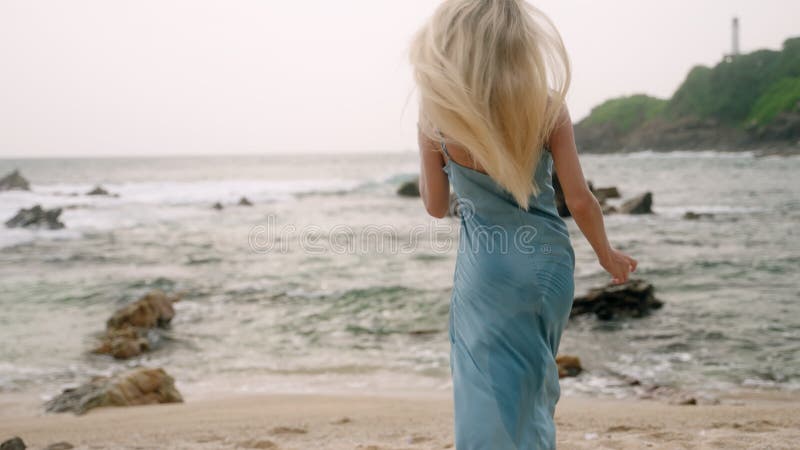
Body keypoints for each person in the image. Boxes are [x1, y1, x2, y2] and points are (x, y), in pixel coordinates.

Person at [409, 1, 637, 448]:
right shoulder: (547, 105)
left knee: (482, 387)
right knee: (535, 381)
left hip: (487, 269)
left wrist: (435, 155)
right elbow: (581, 200)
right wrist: (606, 254)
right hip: (549, 265)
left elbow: (436, 207)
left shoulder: (437, 114)